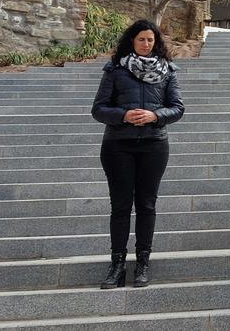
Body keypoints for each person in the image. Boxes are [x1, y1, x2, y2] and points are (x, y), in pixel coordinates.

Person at [90, 19, 185, 290]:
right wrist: (123, 115)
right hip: (118, 145)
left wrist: (156, 115)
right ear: (131, 40)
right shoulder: (115, 69)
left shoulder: (167, 71)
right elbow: (98, 109)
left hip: (154, 145)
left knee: (147, 204)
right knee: (120, 206)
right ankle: (117, 264)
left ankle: (143, 262)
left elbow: (177, 108)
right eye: (141, 39)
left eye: (150, 40)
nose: (146, 44)